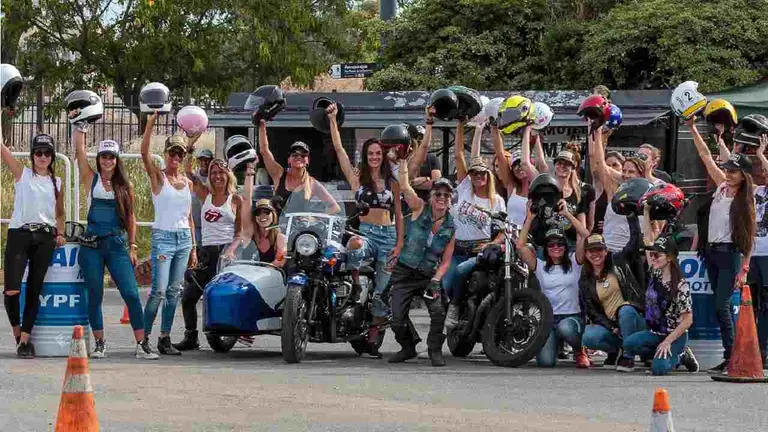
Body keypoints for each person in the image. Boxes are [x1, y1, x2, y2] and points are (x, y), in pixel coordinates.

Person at [72, 123, 158, 360]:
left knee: (131, 293)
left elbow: (131, 217)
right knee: (94, 294)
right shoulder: (92, 180)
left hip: (117, 245)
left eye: (111, 157)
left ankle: (142, 344)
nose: (107, 161)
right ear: (99, 159)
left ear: (117, 160)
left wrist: (132, 245)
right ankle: (100, 343)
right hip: (91, 245)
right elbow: (79, 154)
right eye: (103, 157)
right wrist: (80, 128)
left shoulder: (125, 186)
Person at [327, 104, 404, 356]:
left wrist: (399, 244)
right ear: (365, 155)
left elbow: (400, 215)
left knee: (382, 292)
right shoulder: (358, 178)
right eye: (370, 153)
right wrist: (332, 120)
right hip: (367, 233)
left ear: (382, 155)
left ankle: (372, 338)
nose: (374, 157)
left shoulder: (392, 181)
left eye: (377, 153)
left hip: (389, 235)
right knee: (354, 247)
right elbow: (338, 150)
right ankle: (357, 284)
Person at [690, 117, 756, 372]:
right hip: (713, 253)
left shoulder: (743, 201)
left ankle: (731, 355)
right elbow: (707, 157)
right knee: (724, 306)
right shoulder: (721, 189)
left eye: (733, 171)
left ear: (744, 176)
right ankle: (731, 355)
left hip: (731, 255)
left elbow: (749, 237)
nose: (728, 174)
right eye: (727, 170)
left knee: (722, 305)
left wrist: (744, 268)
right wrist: (694, 129)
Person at [2, 134, 65, 358]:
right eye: (38, 152)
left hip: (45, 237)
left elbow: (59, 212)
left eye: (47, 153)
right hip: (20, 233)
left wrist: (61, 232)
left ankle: (26, 339)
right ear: (32, 155)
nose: (43, 157)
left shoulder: (56, 182)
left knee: (35, 287)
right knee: (12, 288)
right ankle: (18, 334)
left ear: (52, 157)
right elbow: (2, 148)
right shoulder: (23, 174)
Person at [388, 163, 456, 367]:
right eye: (438, 194)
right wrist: (403, 162)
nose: (442, 198)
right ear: (431, 197)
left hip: (428, 275)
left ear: (450, 200)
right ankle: (408, 347)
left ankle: (434, 349)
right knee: (397, 319)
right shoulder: (419, 208)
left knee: (438, 312)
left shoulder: (451, 227)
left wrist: (436, 280)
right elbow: (405, 186)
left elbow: (445, 262)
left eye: (446, 195)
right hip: (405, 270)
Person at [141, 112, 197, 355]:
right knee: (159, 290)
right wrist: (151, 123)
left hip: (183, 238)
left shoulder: (188, 182)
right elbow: (144, 153)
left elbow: (190, 217)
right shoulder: (159, 177)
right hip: (163, 237)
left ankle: (164, 337)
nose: (175, 157)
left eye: (180, 154)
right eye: (172, 153)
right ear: (166, 154)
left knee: (175, 290)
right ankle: (142, 337)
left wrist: (194, 247)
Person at [173, 155, 243, 351]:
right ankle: (191, 336)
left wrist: (230, 250)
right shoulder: (205, 195)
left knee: (219, 297)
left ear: (228, 175)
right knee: (188, 297)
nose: (217, 176)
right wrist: (190, 145)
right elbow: (188, 172)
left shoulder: (236, 199)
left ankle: (229, 331)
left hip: (225, 255)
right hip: (206, 253)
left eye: (221, 172)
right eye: (213, 173)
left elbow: (240, 234)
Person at [443, 121, 506, 327]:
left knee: (461, 271)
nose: (478, 177)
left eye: (482, 174)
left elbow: (502, 230)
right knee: (446, 282)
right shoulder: (464, 190)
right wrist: (461, 124)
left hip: (480, 249)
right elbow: (459, 154)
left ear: (488, 177)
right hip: (458, 247)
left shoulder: (496, 200)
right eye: (474, 173)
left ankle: (454, 307)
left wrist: (492, 244)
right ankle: (456, 306)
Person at [622, 209, 696, 375]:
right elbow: (647, 238)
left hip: (674, 335)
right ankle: (659, 353)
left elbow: (688, 319)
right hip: (655, 332)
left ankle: (681, 354)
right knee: (629, 344)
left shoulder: (680, 285)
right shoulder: (655, 272)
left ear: (669, 257)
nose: (653, 258)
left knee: (658, 370)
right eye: (652, 255)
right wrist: (647, 212)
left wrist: (668, 341)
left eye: (658, 255)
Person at [518, 206, 590, 368]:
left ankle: (580, 350)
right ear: (546, 248)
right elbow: (521, 246)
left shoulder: (574, 262)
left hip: (571, 316)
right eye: (551, 245)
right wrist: (529, 219)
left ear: (565, 247)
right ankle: (556, 345)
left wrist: (566, 214)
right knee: (545, 362)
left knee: (565, 328)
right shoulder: (540, 266)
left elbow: (585, 235)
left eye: (560, 244)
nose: (556, 247)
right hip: (548, 319)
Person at [579, 227, 645, 370]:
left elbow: (635, 242)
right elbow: (591, 311)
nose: (595, 254)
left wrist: (631, 216)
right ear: (586, 254)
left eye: (599, 250)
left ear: (606, 251)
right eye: (591, 251)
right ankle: (615, 351)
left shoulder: (619, 261)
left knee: (626, 309)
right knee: (589, 336)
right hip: (613, 325)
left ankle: (628, 357)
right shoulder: (585, 278)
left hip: (634, 318)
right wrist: (611, 327)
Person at [256, 118, 340, 214]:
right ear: (289, 160)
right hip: (278, 227)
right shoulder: (279, 174)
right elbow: (264, 151)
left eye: (303, 155)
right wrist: (262, 126)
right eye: (294, 154)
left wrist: (314, 218)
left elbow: (335, 207)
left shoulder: (312, 183)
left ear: (307, 161)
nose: (299, 157)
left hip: (300, 228)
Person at [590, 128, 647, 252]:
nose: (626, 174)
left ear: (641, 174)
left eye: (631, 172)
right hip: (610, 251)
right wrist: (598, 134)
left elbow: (655, 229)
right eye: (624, 171)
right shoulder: (614, 191)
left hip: (637, 254)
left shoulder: (648, 197)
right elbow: (599, 164)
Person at [534, 147, 591, 248]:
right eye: (559, 163)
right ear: (554, 166)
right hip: (547, 246)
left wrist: (567, 214)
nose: (562, 166)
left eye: (567, 164)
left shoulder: (579, 193)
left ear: (573, 168)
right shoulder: (545, 189)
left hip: (570, 246)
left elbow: (584, 232)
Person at [493, 124, 537, 226]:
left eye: (520, 164)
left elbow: (529, 163)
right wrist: (494, 127)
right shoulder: (511, 186)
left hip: (529, 237)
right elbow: (500, 154)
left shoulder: (536, 186)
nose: (518, 168)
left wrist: (528, 129)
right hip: (510, 236)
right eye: (515, 165)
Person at [750, 134, 768, 367]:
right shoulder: (756, 191)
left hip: (767, 257)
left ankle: (763, 350)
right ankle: (753, 349)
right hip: (752, 255)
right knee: (750, 305)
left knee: (766, 306)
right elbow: (732, 173)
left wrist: (761, 155)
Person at [591, 149, 625, 234]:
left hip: (617, 236)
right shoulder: (599, 184)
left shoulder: (627, 189)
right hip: (596, 237)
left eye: (615, 165)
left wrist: (610, 223)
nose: (610, 168)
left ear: (622, 167)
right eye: (607, 165)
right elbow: (593, 158)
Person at [187, 148, 213, 245]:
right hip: (196, 223)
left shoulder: (215, 177)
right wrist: (189, 152)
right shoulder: (195, 175)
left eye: (207, 160)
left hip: (209, 226)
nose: (204, 163)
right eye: (202, 160)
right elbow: (187, 170)